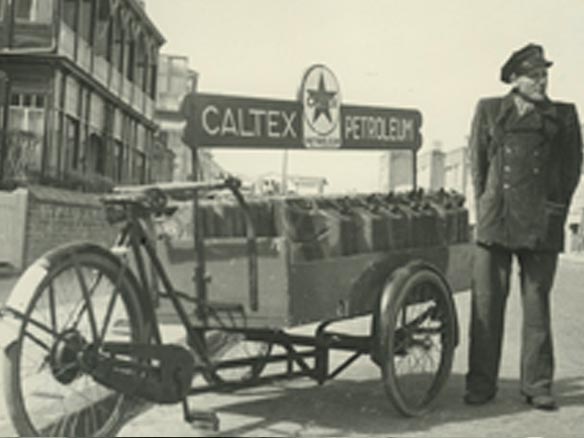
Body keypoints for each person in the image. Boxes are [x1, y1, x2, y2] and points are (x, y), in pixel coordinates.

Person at [465, 43, 583, 410]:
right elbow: (478, 163)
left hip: (539, 225)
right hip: (495, 221)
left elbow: (572, 167)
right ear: (514, 79)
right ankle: (481, 385)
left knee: (536, 307)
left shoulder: (563, 116)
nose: (542, 81)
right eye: (534, 75)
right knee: (486, 307)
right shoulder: (489, 110)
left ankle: (537, 386)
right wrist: (488, 201)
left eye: (545, 74)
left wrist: (555, 207)